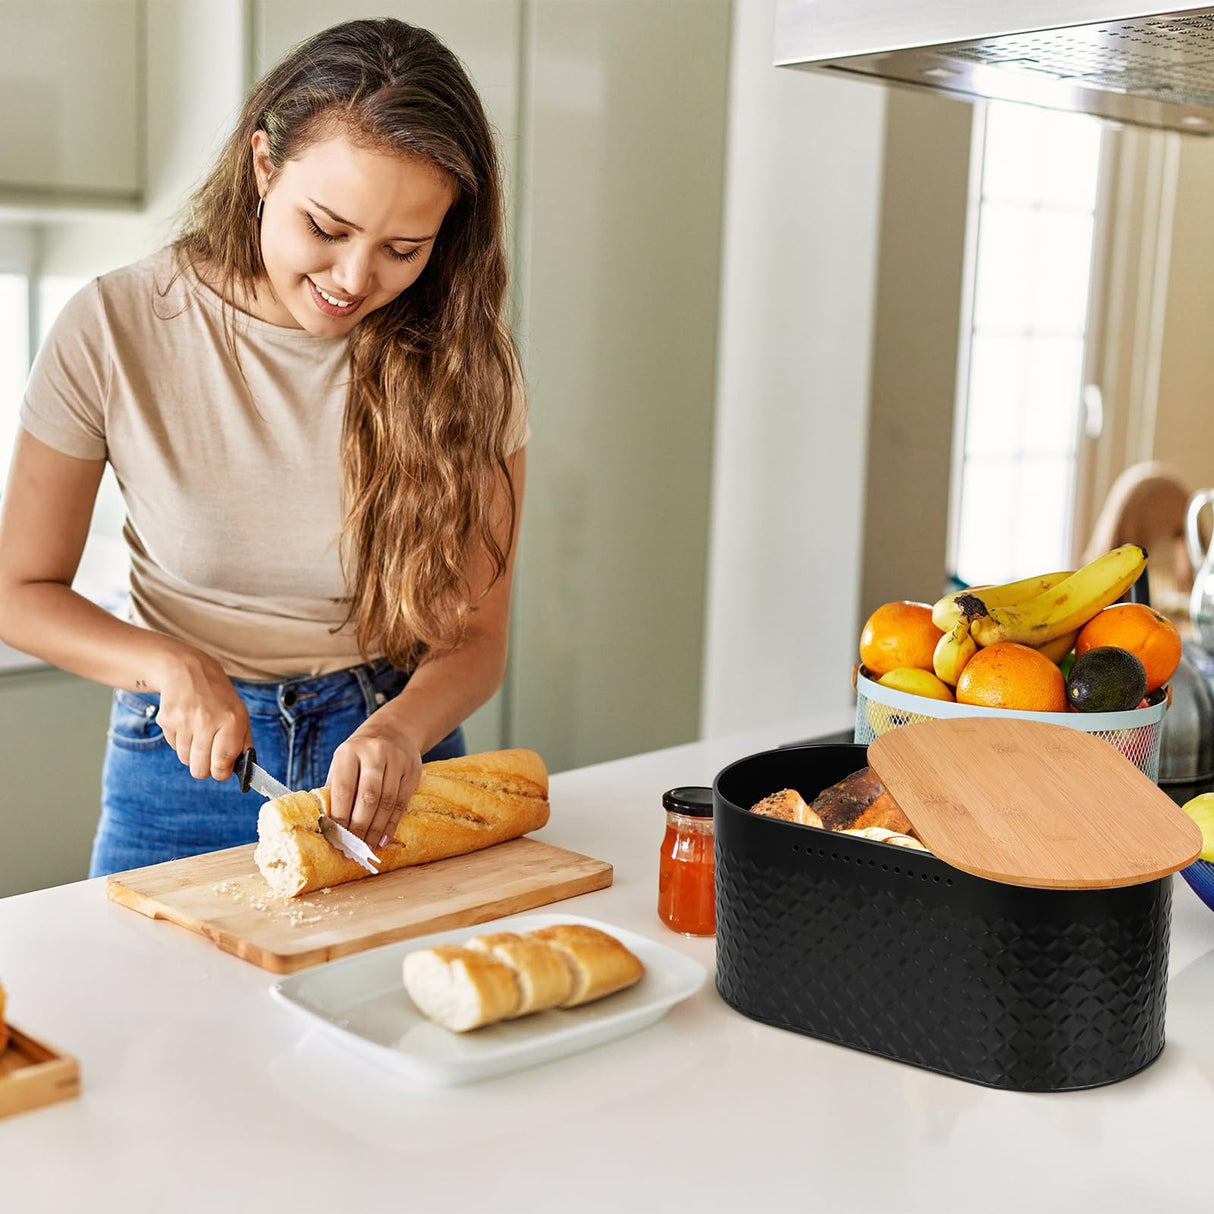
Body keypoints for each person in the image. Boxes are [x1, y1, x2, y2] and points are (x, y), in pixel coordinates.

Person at [0, 19, 527, 876]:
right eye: (326, 227)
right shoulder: (116, 326)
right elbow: (17, 591)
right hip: (179, 762)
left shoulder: (466, 362)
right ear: (262, 168)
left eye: (403, 250)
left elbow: (475, 635)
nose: (355, 279)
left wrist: (398, 729)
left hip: (391, 759)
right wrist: (167, 664)